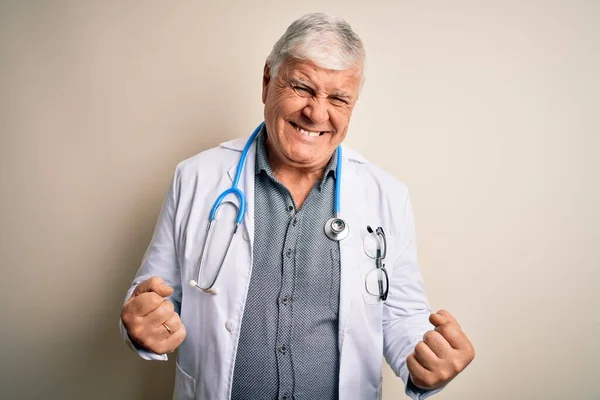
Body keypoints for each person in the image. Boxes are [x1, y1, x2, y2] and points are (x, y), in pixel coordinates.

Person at [120, 13, 474, 400]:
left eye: (338, 98)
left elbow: (401, 315)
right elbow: (151, 296)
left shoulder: (386, 195)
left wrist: (427, 364)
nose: (317, 113)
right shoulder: (195, 178)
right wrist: (143, 325)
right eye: (302, 87)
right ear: (268, 82)